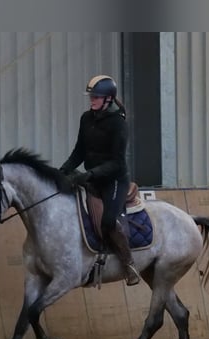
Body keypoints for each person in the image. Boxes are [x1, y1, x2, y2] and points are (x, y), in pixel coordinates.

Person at [59, 75, 141, 286]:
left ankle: (129, 264)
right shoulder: (86, 118)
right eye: (91, 97)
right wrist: (64, 170)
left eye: (96, 97)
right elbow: (79, 151)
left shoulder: (118, 124)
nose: (92, 100)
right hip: (92, 178)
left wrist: (91, 174)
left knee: (108, 221)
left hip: (114, 181)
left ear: (108, 99)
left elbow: (117, 162)